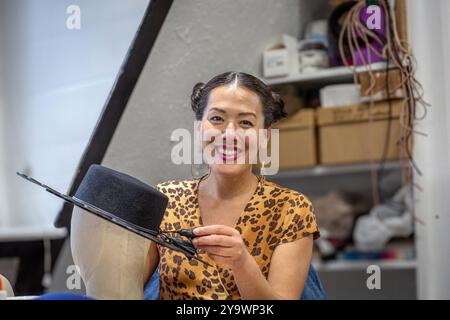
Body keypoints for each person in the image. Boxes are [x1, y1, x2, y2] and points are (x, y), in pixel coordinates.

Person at [144, 71, 320, 300]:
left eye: (245, 122)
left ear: (265, 136)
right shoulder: (165, 199)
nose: (229, 134)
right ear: (199, 128)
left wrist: (241, 263)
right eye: (216, 119)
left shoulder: (292, 209)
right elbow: (126, 286)